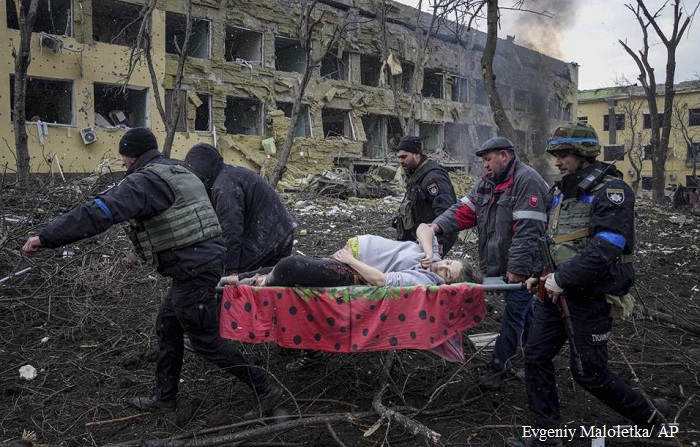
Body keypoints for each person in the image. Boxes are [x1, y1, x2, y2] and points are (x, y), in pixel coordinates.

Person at [22, 128, 283, 419]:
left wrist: (46, 237)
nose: (122, 163)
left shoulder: (144, 182)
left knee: (204, 340)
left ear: (132, 156)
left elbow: (98, 212)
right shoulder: (176, 169)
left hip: (194, 268)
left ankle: (265, 387)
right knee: (168, 325)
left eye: (123, 157)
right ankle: (164, 397)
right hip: (201, 262)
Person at [506, 122, 668, 447]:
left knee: (589, 374)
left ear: (583, 154)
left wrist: (561, 280)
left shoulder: (612, 192)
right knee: (536, 356)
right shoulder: (561, 192)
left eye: (564, 154)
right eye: (557, 154)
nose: (558, 161)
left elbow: (606, 248)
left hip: (589, 296)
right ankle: (547, 435)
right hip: (554, 295)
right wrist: (541, 275)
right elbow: (553, 242)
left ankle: (652, 420)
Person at [428, 136, 549, 389]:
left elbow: (529, 231)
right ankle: (537, 359)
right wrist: (437, 226)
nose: (484, 165)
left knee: (514, 315)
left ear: (504, 156)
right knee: (526, 314)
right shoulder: (487, 184)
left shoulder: (527, 182)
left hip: (526, 267)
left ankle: (499, 366)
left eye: (488, 159)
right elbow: (463, 211)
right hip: (501, 266)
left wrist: (517, 270)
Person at [223, 223, 480, 288]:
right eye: (447, 262)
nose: (441, 267)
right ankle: (231, 279)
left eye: (447, 273)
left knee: (289, 266)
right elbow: (425, 228)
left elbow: (380, 280)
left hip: (354, 269)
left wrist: (350, 260)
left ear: (446, 284)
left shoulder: (424, 281)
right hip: (351, 255)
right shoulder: (431, 258)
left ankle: (254, 284)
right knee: (286, 266)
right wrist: (427, 251)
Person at [183, 143, 297, 276]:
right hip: (280, 231)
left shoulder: (224, 187)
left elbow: (231, 230)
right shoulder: (228, 175)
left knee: (228, 279)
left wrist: (230, 270)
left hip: (268, 235)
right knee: (268, 284)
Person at [393, 135, 458, 256]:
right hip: (421, 237)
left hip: (433, 237)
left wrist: (439, 239)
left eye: (404, 157)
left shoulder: (432, 177)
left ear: (417, 154)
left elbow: (445, 209)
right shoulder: (417, 175)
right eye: (398, 158)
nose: (400, 161)